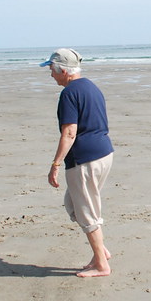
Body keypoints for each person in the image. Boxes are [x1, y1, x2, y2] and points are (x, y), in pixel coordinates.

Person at [42, 48, 115, 277]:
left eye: (52, 70)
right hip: (104, 154)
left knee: (86, 211)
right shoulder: (91, 87)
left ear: (63, 70)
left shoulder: (69, 94)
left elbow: (70, 133)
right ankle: (100, 251)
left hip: (85, 158)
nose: (51, 75)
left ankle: (102, 264)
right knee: (73, 203)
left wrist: (55, 164)